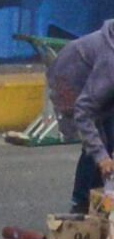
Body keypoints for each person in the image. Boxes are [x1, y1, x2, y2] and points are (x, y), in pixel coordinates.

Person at [47, 18, 114, 214]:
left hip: (97, 85)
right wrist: (102, 158)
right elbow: (83, 111)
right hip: (70, 84)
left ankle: (98, 201)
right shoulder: (110, 64)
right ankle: (82, 203)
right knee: (98, 145)